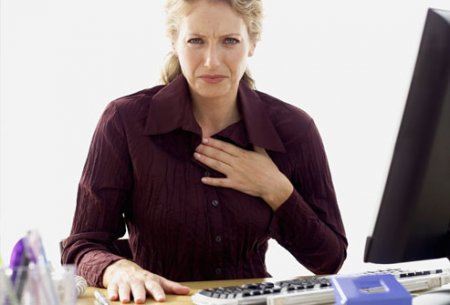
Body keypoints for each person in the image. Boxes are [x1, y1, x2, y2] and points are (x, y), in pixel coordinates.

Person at [61, 0, 348, 303]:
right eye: (196, 41)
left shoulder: (294, 129)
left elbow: (329, 259)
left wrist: (276, 189)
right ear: (174, 42)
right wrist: (115, 269)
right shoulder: (125, 121)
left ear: (252, 43)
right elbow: (82, 245)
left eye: (229, 41)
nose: (212, 61)